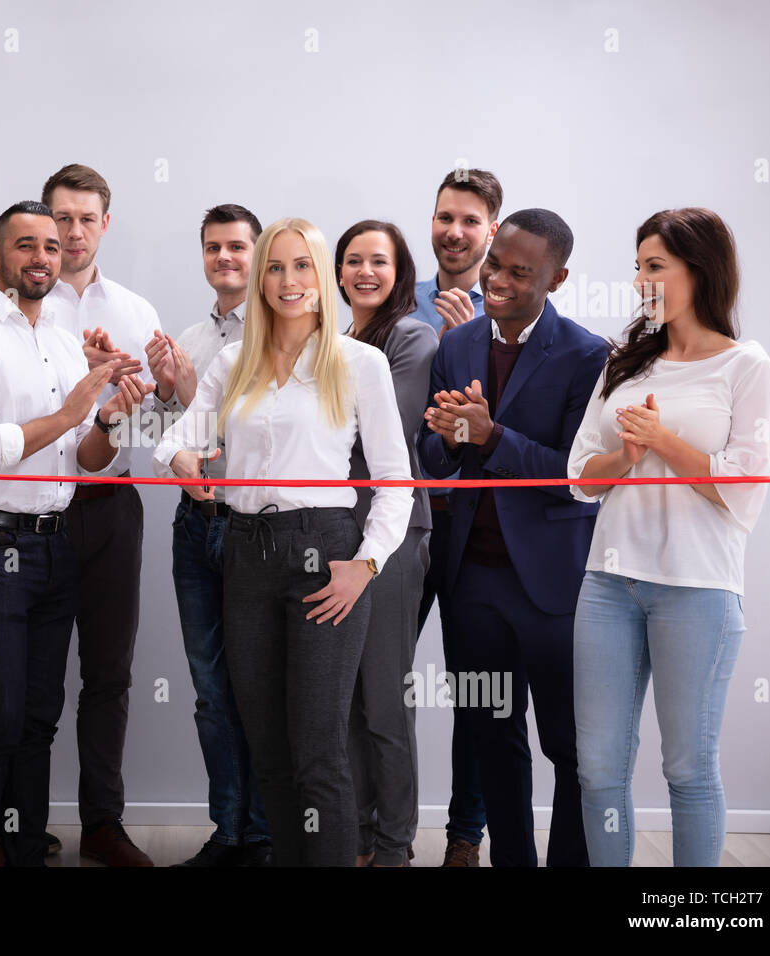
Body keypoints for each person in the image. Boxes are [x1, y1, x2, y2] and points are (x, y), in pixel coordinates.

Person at [155, 217, 413, 867]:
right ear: (261, 277)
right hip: (244, 552)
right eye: (275, 267)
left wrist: (367, 563)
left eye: (302, 266)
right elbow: (173, 439)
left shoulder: (360, 363)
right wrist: (184, 463)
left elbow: (395, 481)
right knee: (268, 750)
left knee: (318, 751)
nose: (288, 280)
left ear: (323, 279)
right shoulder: (233, 360)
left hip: (322, 552)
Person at [0, 200, 153, 867]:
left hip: (55, 544)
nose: (42, 259)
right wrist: (71, 412)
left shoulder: (59, 335)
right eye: (25, 246)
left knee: (36, 722)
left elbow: (81, 457)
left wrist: (107, 422)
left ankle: (25, 853)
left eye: (52, 247)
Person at [569, 208, 770, 866]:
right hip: (608, 583)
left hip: (697, 588)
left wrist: (663, 440)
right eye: (637, 266)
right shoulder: (626, 363)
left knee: (689, 768)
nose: (639, 280)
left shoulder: (747, 367)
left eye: (654, 266)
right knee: (597, 769)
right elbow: (582, 476)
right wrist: (628, 459)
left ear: (701, 269)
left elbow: (744, 488)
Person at [419, 208, 607, 867]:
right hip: (471, 581)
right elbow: (433, 461)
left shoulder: (590, 356)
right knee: (492, 737)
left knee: (570, 746)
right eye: (494, 263)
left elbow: (578, 477)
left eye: (518, 272)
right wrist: (446, 440)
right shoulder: (457, 345)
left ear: (556, 278)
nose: (495, 278)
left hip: (554, 586)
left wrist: (490, 437)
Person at [41, 163, 162, 865]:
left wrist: (130, 410)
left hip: (113, 508)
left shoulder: (137, 313)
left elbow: (156, 430)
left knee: (109, 672)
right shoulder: (16, 305)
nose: (74, 231)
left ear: (105, 225)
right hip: (36, 512)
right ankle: (17, 822)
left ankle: (103, 823)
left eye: (87, 219)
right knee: (33, 675)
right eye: (62, 218)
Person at [146, 204, 272, 867]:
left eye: (236, 247)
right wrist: (169, 394)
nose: (224, 257)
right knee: (210, 690)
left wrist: (194, 392)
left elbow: (269, 437)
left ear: (259, 254)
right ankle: (232, 833)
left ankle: (268, 834)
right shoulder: (191, 337)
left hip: (255, 528)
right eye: (213, 247)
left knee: (260, 684)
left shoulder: (285, 334)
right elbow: (163, 444)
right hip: (195, 528)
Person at [335, 220, 437, 867]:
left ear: (399, 271)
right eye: (353, 260)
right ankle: (360, 838)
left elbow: (382, 429)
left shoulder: (411, 337)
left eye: (379, 260)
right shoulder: (336, 339)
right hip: (338, 531)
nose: (365, 271)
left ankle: (394, 846)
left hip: (392, 534)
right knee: (343, 698)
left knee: (383, 698)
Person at [411, 168, 503, 866]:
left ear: (491, 230)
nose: (454, 231)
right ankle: (379, 827)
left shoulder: (509, 312)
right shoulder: (393, 298)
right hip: (404, 522)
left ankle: (465, 835)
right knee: (375, 676)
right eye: (445, 217)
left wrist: (478, 340)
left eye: (469, 220)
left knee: (477, 687)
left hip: (478, 530)